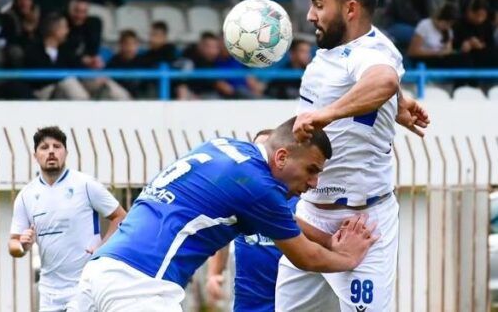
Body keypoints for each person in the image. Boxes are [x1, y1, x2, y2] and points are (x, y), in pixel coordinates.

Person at [67, 116, 378, 312]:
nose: (314, 183)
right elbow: (305, 257)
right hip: (141, 285)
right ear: (282, 157)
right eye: (311, 170)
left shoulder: (221, 147)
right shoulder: (259, 187)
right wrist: (347, 258)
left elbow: (281, 220)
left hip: (99, 270)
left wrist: (327, 239)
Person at [275, 0, 430, 312]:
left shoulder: (370, 53)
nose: (310, 16)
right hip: (311, 215)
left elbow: (383, 79)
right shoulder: (342, 50)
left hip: (361, 225)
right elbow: (382, 82)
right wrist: (397, 104)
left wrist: (326, 114)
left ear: (350, 9)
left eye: (319, 5)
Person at [9, 126, 126, 312]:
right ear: (35, 155)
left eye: (57, 146)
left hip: (84, 285)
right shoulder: (26, 195)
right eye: (44, 147)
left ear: (66, 152)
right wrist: (22, 245)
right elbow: (13, 243)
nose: (51, 152)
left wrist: (102, 248)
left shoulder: (85, 184)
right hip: (49, 292)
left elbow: (120, 217)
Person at [205, 129, 300, 312]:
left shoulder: (299, 199)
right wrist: (214, 273)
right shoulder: (243, 194)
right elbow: (222, 230)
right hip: (249, 302)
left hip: (292, 299)